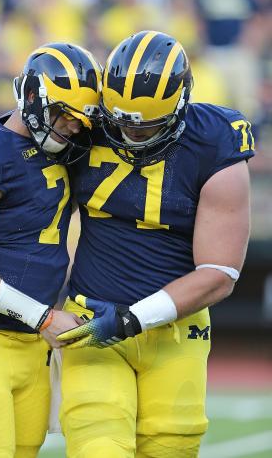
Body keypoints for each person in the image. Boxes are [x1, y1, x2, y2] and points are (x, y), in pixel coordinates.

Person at [57, 30, 255, 458]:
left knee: (171, 447)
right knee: (98, 446)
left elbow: (219, 274)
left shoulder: (215, 141)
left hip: (177, 328)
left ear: (181, 105)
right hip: (91, 320)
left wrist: (133, 319)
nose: (129, 134)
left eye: (145, 123)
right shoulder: (83, 122)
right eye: (120, 120)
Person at [0, 42, 102, 458]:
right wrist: (43, 316)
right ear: (32, 97)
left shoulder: (71, 152)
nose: (73, 128)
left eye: (78, 120)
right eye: (64, 115)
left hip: (35, 344)